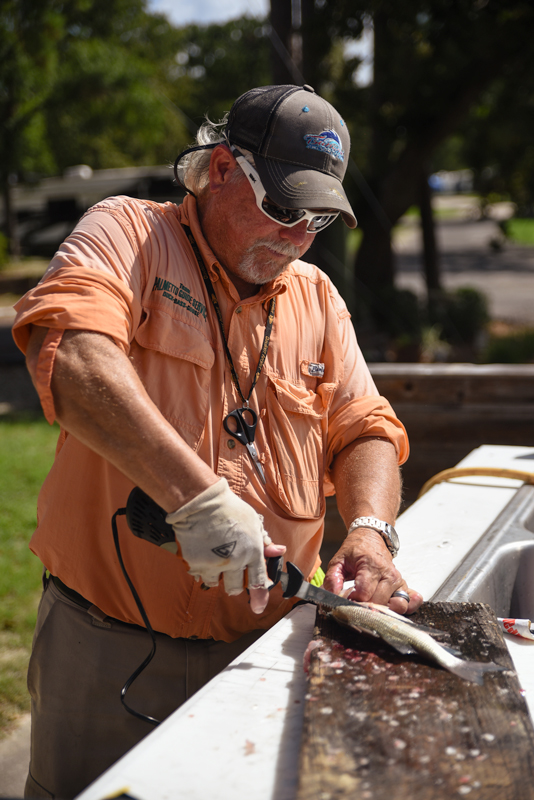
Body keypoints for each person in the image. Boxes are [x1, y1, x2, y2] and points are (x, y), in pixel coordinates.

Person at [13, 83, 422, 799]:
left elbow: (366, 428)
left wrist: (369, 530)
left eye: (320, 217)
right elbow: (72, 355)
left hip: (267, 648)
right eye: (285, 208)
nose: (299, 236)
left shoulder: (318, 296)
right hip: (105, 647)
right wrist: (197, 501)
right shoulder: (129, 233)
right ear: (225, 168)